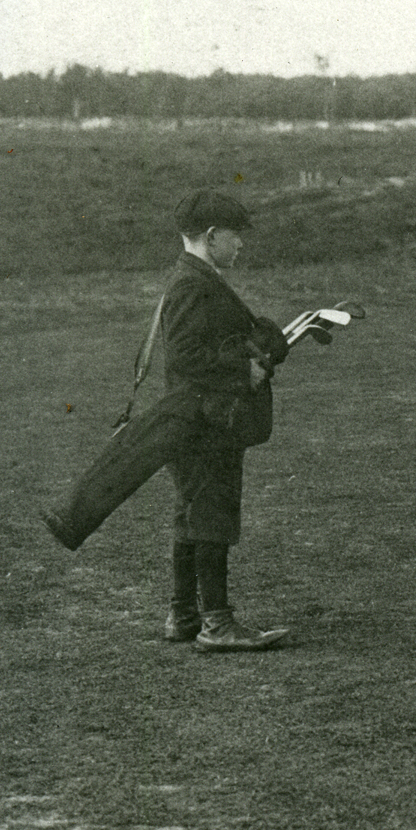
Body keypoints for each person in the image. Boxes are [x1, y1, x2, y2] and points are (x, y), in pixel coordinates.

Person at [154, 190, 292, 649]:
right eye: (235, 237)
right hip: (206, 421)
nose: (241, 245)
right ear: (211, 237)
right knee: (211, 516)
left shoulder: (191, 276)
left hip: (193, 418)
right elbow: (185, 355)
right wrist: (244, 369)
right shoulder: (194, 283)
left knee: (191, 515)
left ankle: (184, 615)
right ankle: (217, 623)